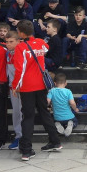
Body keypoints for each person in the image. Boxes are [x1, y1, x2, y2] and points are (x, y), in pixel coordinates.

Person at [11, 20, 63, 161]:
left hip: (27, 86)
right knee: (44, 112)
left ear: (21, 33)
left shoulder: (20, 47)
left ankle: (27, 150)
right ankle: (55, 141)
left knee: (28, 117)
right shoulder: (41, 42)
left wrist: (15, 86)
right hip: (41, 84)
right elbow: (46, 49)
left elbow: (19, 70)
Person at [3, 30, 23, 150]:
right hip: (12, 87)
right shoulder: (8, 53)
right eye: (7, 42)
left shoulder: (22, 52)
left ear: (18, 41)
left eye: (11, 42)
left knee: (22, 111)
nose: (8, 44)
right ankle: (18, 135)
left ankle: (24, 136)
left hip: (22, 87)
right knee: (16, 112)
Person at [48, 73, 80, 137]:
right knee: (75, 122)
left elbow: (47, 101)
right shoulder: (68, 91)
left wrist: (48, 106)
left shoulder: (51, 91)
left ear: (55, 83)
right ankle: (70, 125)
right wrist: (75, 109)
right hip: (69, 117)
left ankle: (57, 124)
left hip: (57, 118)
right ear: (66, 83)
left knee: (52, 121)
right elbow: (72, 103)